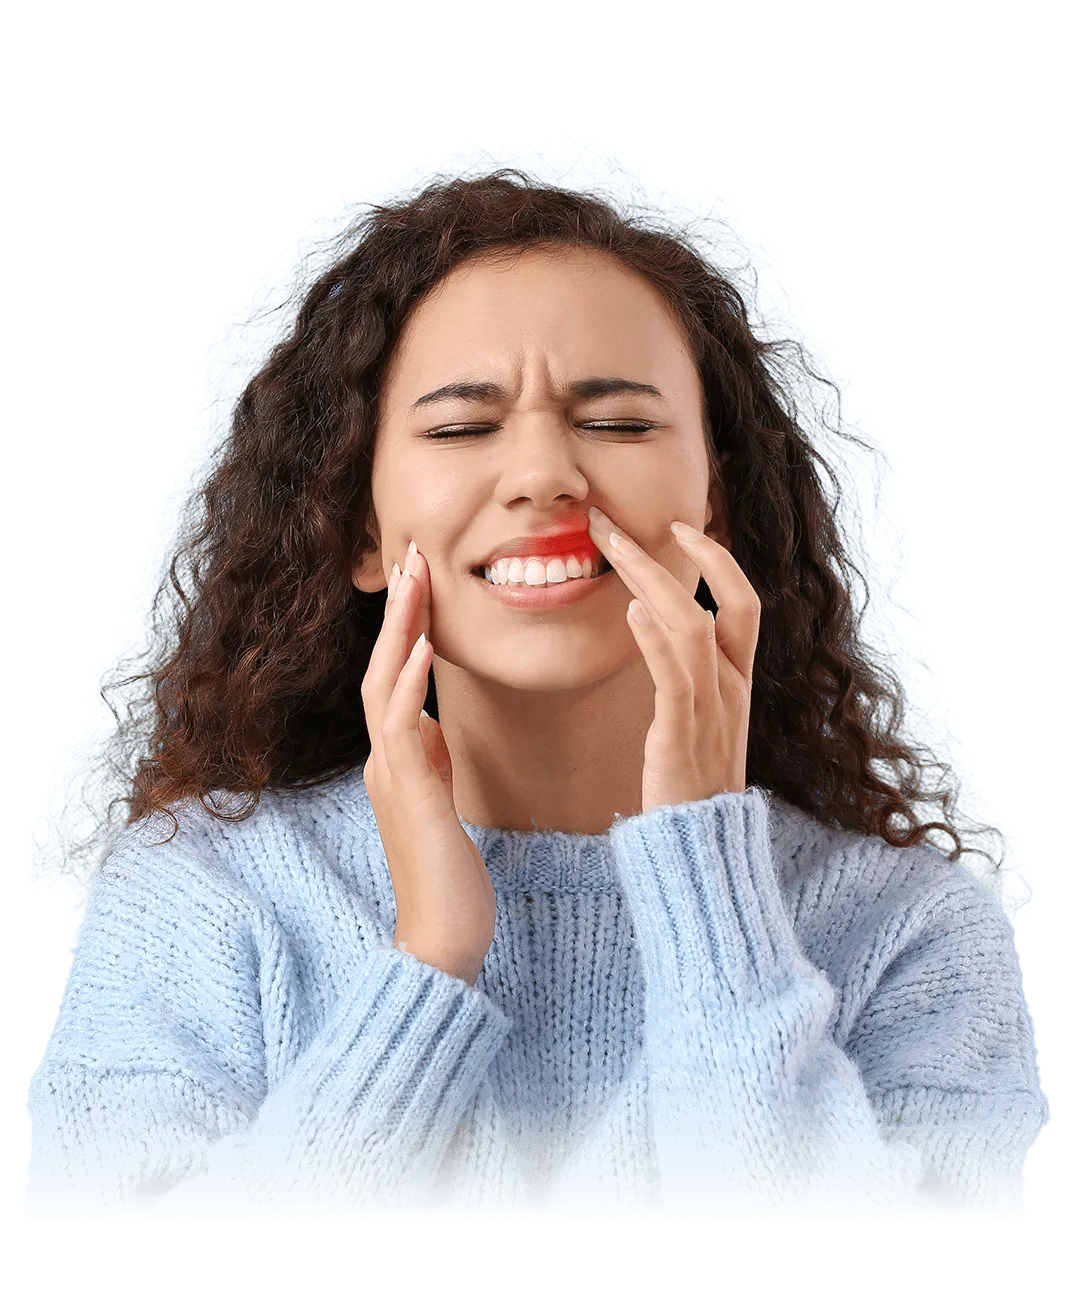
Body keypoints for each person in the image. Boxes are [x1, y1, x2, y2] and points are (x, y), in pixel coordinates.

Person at [24, 168, 1049, 1217]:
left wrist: (711, 884)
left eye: (619, 423)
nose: (545, 475)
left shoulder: (912, 932)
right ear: (359, 527)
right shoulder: (201, 895)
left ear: (718, 501)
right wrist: (428, 960)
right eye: (462, 427)